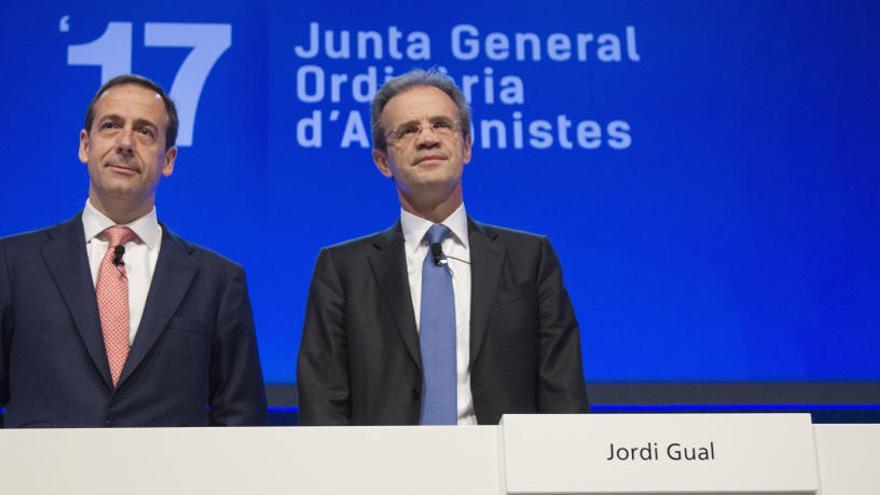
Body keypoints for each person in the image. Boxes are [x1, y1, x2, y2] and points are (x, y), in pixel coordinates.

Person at [297, 69, 588, 425]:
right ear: (383, 161)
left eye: (441, 125)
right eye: (407, 130)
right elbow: (323, 401)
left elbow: (564, 396)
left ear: (466, 147)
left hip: (502, 473)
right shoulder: (342, 270)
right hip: (382, 474)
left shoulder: (530, 259)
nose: (427, 139)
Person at [0, 74, 267, 427]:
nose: (126, 142)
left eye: (145, 132)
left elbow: (240, 420)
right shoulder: (13, 264)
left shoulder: (218, 281)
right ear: (85, 145)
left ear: (168, 159)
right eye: (111, 126)